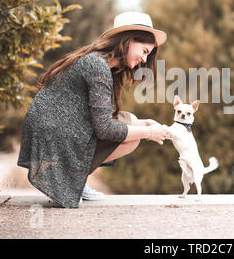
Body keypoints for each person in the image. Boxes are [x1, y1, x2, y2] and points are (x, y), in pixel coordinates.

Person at [17, 11, 171, 208]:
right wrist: (149, 132)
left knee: (131, 122)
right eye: (144, 51)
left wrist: (142, 125)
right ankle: (69, 180)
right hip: (53, 134)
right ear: (129, 41)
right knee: (133, 135)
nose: (144, 59)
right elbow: (105, 129)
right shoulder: (97, 65)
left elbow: (103, 118)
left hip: (65, 128)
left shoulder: (106, 66)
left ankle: (74, 180)